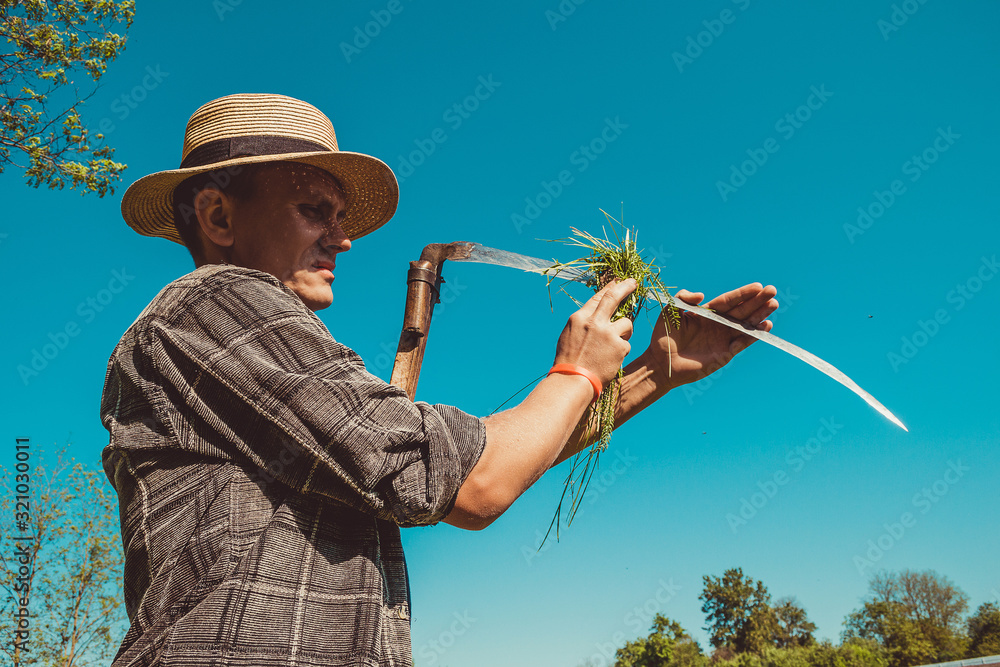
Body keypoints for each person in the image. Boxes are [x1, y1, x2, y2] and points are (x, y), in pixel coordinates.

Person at [101, 93, 778, 667]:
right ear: (219, 217)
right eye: (315, 210)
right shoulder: (210, 305)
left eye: (342, 217)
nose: (343, 238)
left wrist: (655, 371)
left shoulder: (268, 351)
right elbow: (471, 484)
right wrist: (575, 369)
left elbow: (474, 469)